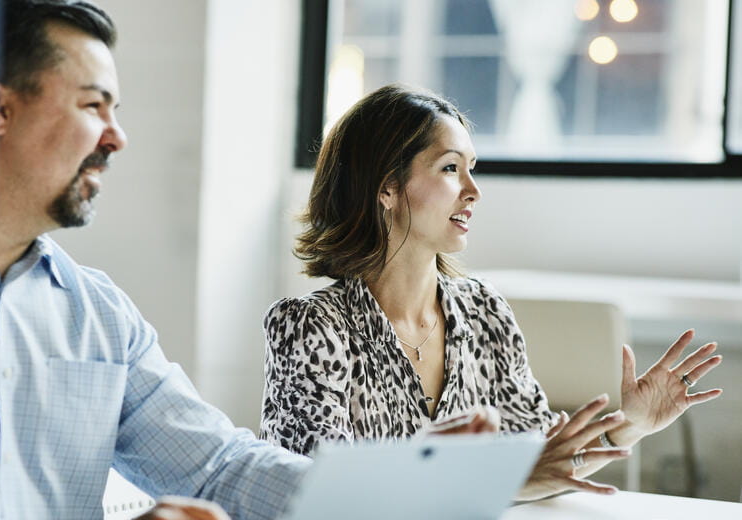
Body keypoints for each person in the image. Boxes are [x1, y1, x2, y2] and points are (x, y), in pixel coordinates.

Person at [0, 1, 316, 518]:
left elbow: (217, 468)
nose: (117, 137)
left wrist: (391, 489)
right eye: (94, 106)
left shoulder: (99, 315)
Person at [259, 84, 724, 500]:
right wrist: (509, 482)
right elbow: (319, 499)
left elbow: (544, 457)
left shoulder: (483, 310)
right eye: (449, 168)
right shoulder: (310, 327)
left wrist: (629, 427)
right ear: (387, 187)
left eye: (472, 169)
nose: (474, 191)